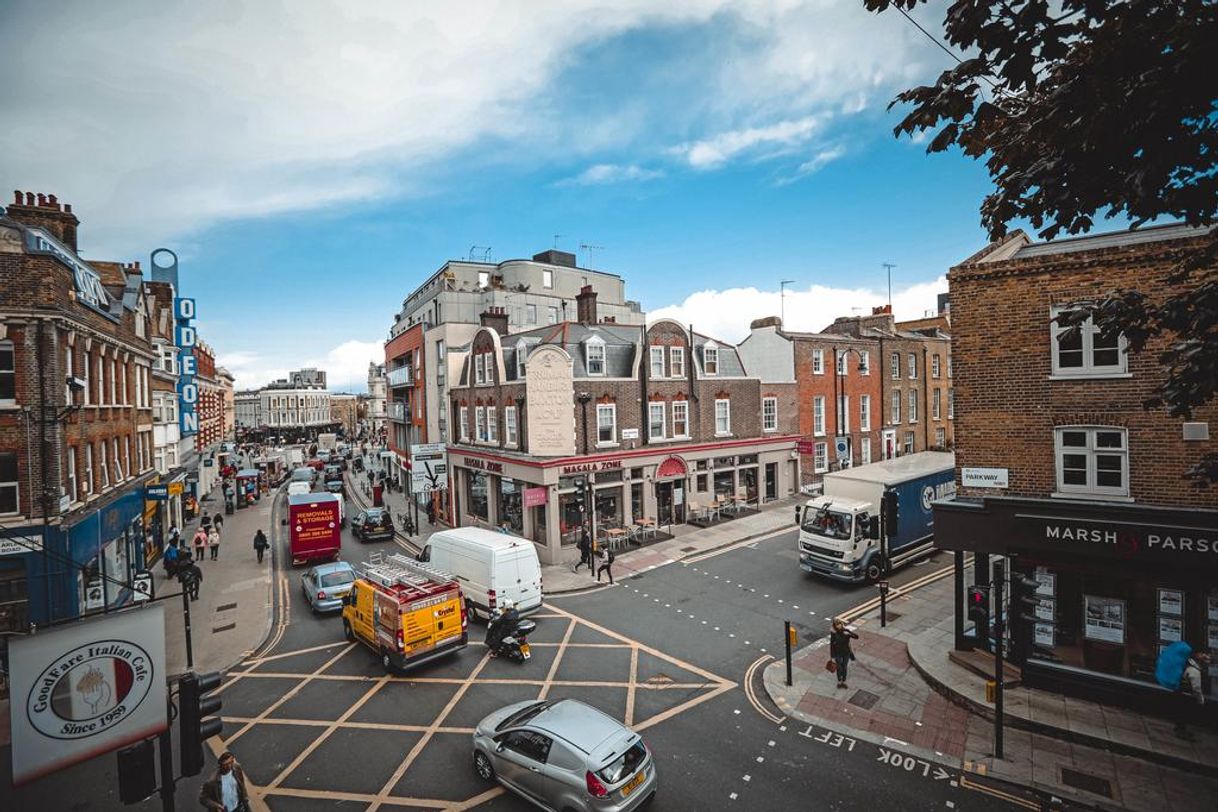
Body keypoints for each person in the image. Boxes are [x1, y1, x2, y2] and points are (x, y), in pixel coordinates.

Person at [830, 618, 859, 689]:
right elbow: (832, 645)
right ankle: (839, 681)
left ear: (842, 624)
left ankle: (844, 681)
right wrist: (832, 656)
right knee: (839, 668)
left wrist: (849, 633)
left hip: (846, 652)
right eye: (837, 625)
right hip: (837, 653)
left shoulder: (846, 631)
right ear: (835, 626)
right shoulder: (834, 633)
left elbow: (856, 637)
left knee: (844, 667)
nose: (839, 626)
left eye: (839, 624)